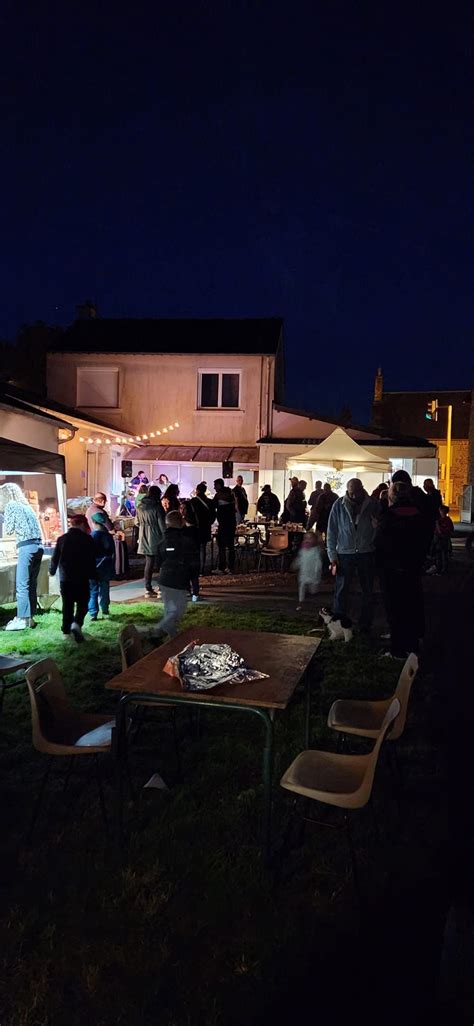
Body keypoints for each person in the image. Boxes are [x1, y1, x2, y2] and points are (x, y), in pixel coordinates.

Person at [375, 481, 430, 658]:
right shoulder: (419, 516)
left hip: (392, 570)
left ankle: (398, 649)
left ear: (391, 496)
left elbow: (380, 545)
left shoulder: (388, 517)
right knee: (412, 606)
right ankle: (413, 645)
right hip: (413, 568)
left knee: (395, 610)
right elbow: (426, 542)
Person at [326, 478, 379, 633]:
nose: (354, 496)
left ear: (362, 489)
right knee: (342, 589)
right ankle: (339, 622)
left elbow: (379, 528)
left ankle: (365, 623)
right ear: (347, 491)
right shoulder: (339, 505)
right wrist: (332, 556)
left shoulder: (372, 504)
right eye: (351, 493)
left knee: (366, 589)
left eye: (357, 492)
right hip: (346, 552)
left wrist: (375, 532)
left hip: (365, 551)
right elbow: (332, 531)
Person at [0, 482, 44, 631]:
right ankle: (30, 617)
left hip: (26, 547)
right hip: (38, 546)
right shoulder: (27, 507)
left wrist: (3, 516)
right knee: (31, 584)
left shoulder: (11, 506)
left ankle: (22, 618)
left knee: (22, 585)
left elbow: (9, 529)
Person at [49, 514, 96, 643]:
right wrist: (93, 574)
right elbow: (91, 559)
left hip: (66, 578)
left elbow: (55, 557)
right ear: (82, 524)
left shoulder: (62, 539)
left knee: (67, 604)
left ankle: (66, 630)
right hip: (81, 577)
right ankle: (77, 623)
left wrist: (52, 571)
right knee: (83, 602)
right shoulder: (87, 539)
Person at [152, 510, 196, 638]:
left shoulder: (162, 542)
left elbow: (158, 563)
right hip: (178, 579)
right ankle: (157, 631)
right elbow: (192, 563)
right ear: (181, 522)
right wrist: (193, 581)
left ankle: (171, 637)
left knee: (169, 609)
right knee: (178, 610)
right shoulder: (187, 542)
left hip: (164, 579)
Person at [136, 485, 166, 598]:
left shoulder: (140, 506)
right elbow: (162, 525)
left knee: (149, 563)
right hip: (156, 537)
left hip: (144, 535)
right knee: (161, 564)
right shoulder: (157, 507)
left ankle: (147, 589)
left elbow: (136, 522)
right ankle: (161, 588)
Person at [88, 511, 116, 620]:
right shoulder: (108, 536)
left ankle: (93, 613)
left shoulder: (92, 536)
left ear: (94, 522)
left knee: (93, 589)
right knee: (105, 588)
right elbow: (112, 551)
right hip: (106, 565)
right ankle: (105, 608)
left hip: (94, 565)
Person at [293, 531, 324, 608]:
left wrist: (318, 570)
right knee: (302, 586)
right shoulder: (303, 550)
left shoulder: (316, 550)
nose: (307, 540)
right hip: (304, 572)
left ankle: (313, 599)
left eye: (310, 538)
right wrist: (296, 564)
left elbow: (318, 562)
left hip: (313, 573)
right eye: (306, 538)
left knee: (313, 589)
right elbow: (300, 559)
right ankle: (301, 601)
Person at [190, 481, 215, 573]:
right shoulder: (210, 502)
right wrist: (209, 523)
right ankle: (202, 568)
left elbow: (190, 515)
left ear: (197, 490)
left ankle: (196, 568)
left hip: (195, 528)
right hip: (205, 527)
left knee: (195, 548)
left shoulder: (193, 501)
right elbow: (213, 515)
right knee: (203, 548)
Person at [213, 478, 236, 574]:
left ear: (219, 485)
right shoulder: (231, 493)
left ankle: (222, 567)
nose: (214, 487)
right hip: (231, 523)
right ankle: (231, 567)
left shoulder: (219, 495)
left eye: (215, 485)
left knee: (222, 546)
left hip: (223, 524)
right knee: (231, 546)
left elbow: (213, 505)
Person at [182, 500, 202, 601]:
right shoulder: (183, 521)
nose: (182, 510)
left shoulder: (191, 522)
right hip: (186, 550)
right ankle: (189, 591)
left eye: (184, 508)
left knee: (193, 573)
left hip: (192, 550)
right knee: (187, 572)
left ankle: (195, 593)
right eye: (181, 508)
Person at [432, 505, 454, 575]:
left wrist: (437, 525)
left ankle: (442, 569)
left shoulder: (444, 521)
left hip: (442, 540)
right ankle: (440, 568)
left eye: (440, 510)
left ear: (442, 511)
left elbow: (440, 531)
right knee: (440, 555)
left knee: (442, 555)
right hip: (441, 540)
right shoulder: (443, 520)